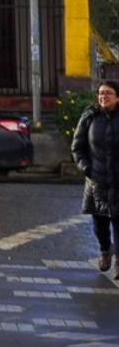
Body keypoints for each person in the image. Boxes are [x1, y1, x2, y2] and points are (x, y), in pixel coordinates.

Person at [73, 79, 119, 274]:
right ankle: (105, 249)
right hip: (97, 180)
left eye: (108, 93)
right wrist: (87, 169)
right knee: (100, 223)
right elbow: (77, 147)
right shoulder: (89, 117)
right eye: (101, 93)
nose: (103, 96)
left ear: (117, 97)